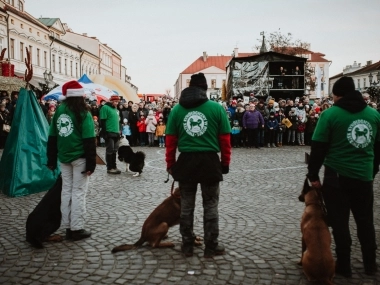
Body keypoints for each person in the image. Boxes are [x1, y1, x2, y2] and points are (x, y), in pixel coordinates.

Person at [307, 76, 380, 278]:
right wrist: (372, 171)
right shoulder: (374, 115)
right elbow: (378, 148)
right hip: (364, 177)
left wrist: (313, 174)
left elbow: (318, 147)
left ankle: (344, 265)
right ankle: (370, 263)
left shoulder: (330, 115)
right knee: (365, 221)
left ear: (338, 95)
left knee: (340, 223)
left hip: (336, 177)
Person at [165, 73, 231, 258]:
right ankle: (211, 246)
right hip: (209, 162)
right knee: (210, 205)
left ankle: (187, 245)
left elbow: (170, 141)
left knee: (186, 206)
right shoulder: (216, 108)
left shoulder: (177, 110)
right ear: (205, 89)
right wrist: (225, 162)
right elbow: (225, 139)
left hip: (186, 162)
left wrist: (170, 163)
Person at [47, 81, 96, 241]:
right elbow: (89, 139)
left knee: (66, 191)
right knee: (78, 192)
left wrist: (51, 159)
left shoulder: (60, 110)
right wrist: (91, 163)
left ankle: (67, 226)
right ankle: (76, 228)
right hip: (80, 157)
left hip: (64, 157)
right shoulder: (83, 112)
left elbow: (52, 136)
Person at [100, 95, 122, 174]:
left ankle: (114, 166)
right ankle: (109, 167)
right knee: (110, 150)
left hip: (116, 132)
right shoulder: (105, 108)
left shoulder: (116, 109)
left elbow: (117, 121)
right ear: (111, 101)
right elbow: (102, 121)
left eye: (118, 102)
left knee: (115, 150)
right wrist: (105, 132)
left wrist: (119, 131)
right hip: (109, 131)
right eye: (115, 102)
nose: (117, 103)